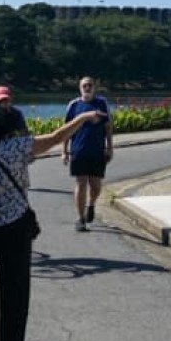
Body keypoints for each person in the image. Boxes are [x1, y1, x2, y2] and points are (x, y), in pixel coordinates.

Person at [0, 89, 101, 341]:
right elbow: (57, 137)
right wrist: (82, 118)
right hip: (14, 225)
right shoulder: (19, 148)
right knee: (15, 292)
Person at [62, 77, 112, 232]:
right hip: (78, 151)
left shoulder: (101, 103)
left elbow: (108, 126)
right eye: (84, 85)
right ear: (80, 88)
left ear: (94, 87)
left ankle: (91, 205)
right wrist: (64, 151)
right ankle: (81, 218)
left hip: (97, 151)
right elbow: (66, 130)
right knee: (81, 183)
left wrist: (110, 147)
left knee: (96, 185)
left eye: (90, 85)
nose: (87, 88)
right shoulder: (74, 105)